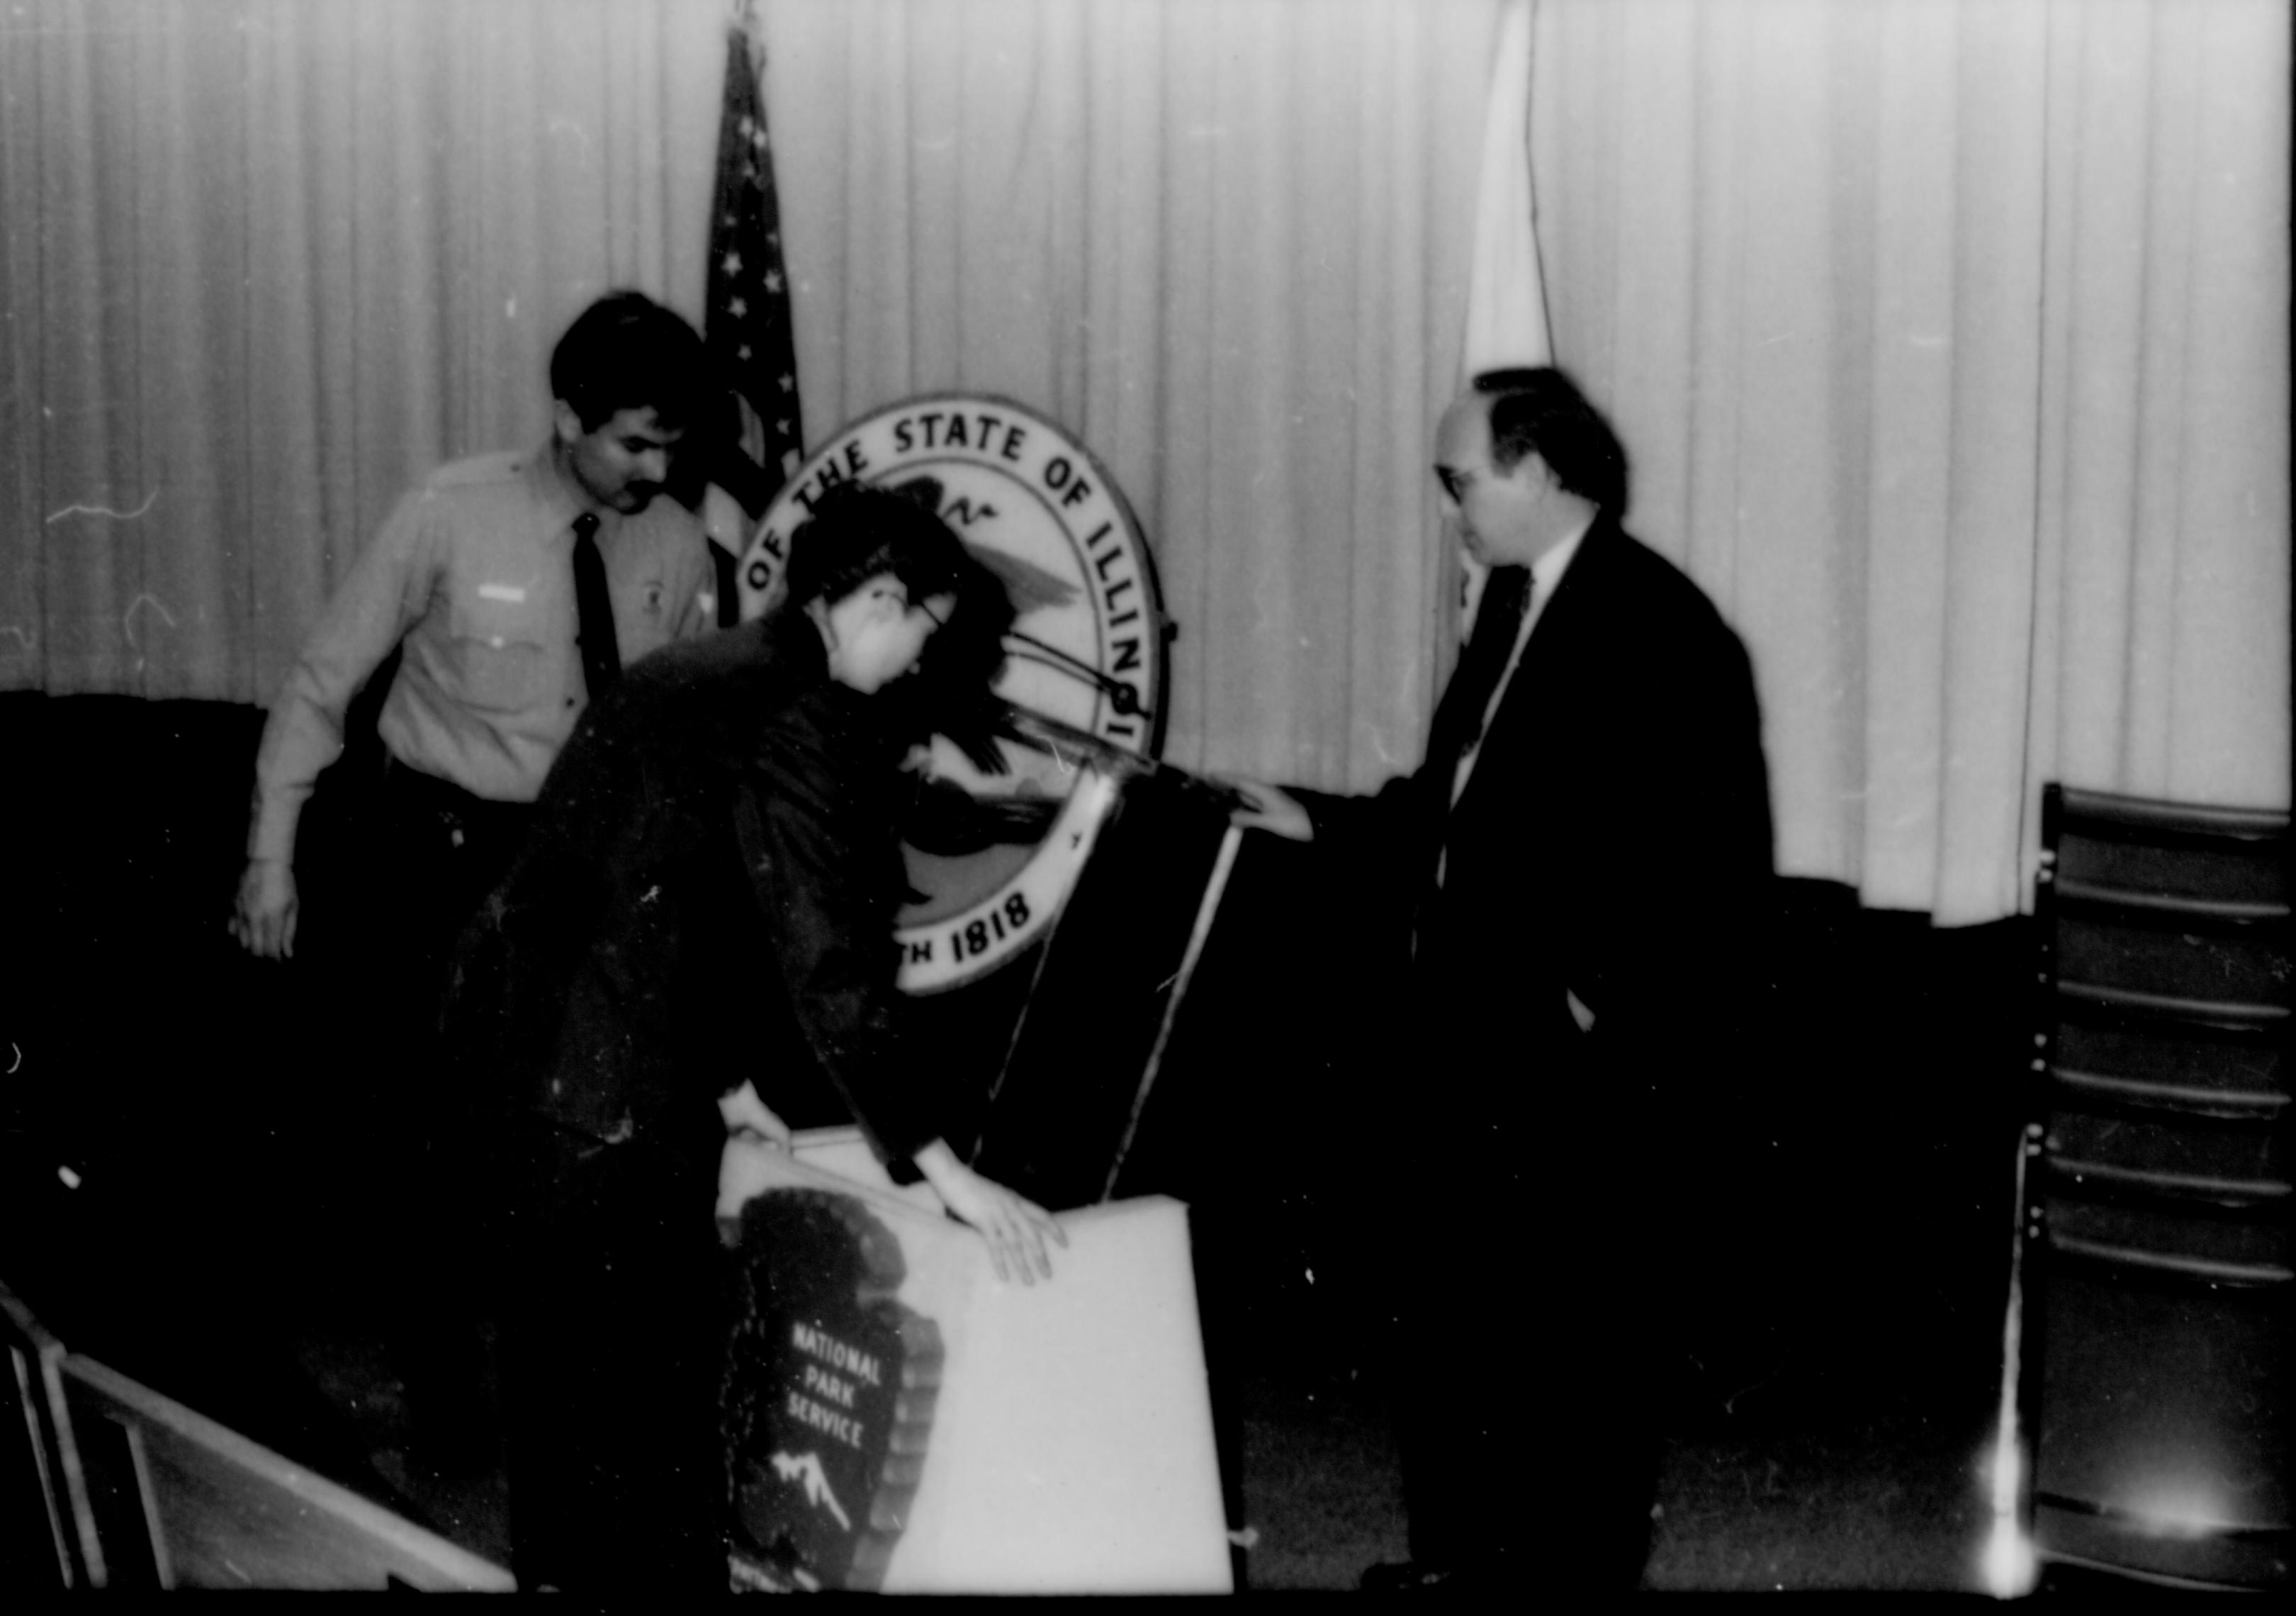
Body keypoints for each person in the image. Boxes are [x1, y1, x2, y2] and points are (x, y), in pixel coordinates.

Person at [450, 481, 1065, 1595]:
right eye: (923, 631)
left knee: (562, 1424)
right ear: (879, 599)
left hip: (527, 1069)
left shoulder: (701, 668)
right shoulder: (803, 710)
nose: (918, 662)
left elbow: (685, 892)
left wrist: (730, 1080)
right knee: (651, 1429)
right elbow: (824, 958)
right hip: (612, 1105)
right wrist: (942, 1171)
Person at [1233, 367, 1773, 1593]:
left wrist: (1594, 1005)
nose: (1448, 508)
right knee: (1458, 1333)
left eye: (1459, 480)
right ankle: (1459, 1564)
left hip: (1567, 1066)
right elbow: (1456, 805)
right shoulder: (1510, 606)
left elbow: (1710, 868)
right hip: (1464, 1041)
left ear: (1536, 473)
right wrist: (1316, 821)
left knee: (1571, 1362)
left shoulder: (1664, 629)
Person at [227, 289, 720, 1474]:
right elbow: (320, 680)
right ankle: (448, 1412)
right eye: (632, 443)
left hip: (580, 873)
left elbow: (677, 740)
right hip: (435, 857)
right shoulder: (452, 512)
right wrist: (269, 855)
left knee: (567, 1152)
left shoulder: (677, 546)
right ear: (566, 417)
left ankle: (563, 1411)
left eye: (673, 444)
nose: (657, 468)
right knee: (434, 1148)